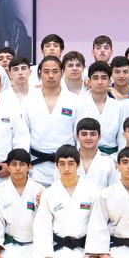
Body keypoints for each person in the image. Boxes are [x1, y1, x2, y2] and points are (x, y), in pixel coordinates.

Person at [30, 145, 102, 258]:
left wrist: (94, 256)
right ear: (56, 165)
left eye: (71, 163)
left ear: (78, 165)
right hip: (60, 250)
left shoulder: (92, 191)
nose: (66, 168)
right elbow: (42, 227)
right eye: (62, 164)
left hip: (84, 251)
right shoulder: (49, 193)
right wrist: (48, 257)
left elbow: (98, 225)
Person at [21, 55, 80, 185]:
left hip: (66, 164)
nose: (51, 76)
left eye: (55, 71)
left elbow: (79, 136)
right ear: (39, 74)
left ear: (62, 73)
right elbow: (23, 136)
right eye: (46, 72)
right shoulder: (28, 101)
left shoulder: (75, 101)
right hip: (37, 165)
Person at [82, 61, 123, 153]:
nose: (99, 82)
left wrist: (120, 156)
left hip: (112, 154)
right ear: (89, 81)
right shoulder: (80, 104)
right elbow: (75, 135)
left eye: (104, 78)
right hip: (85, 154)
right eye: (95, 78)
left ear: (109, 81)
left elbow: (122, 136)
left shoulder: (118, 106)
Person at [75, 118, 117, 190]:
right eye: (84, 134)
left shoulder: (108, 161)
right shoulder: (69, 160)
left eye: (93, 134)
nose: (88, 138)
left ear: (99, 137)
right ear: (77, 137)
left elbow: (113, 189)